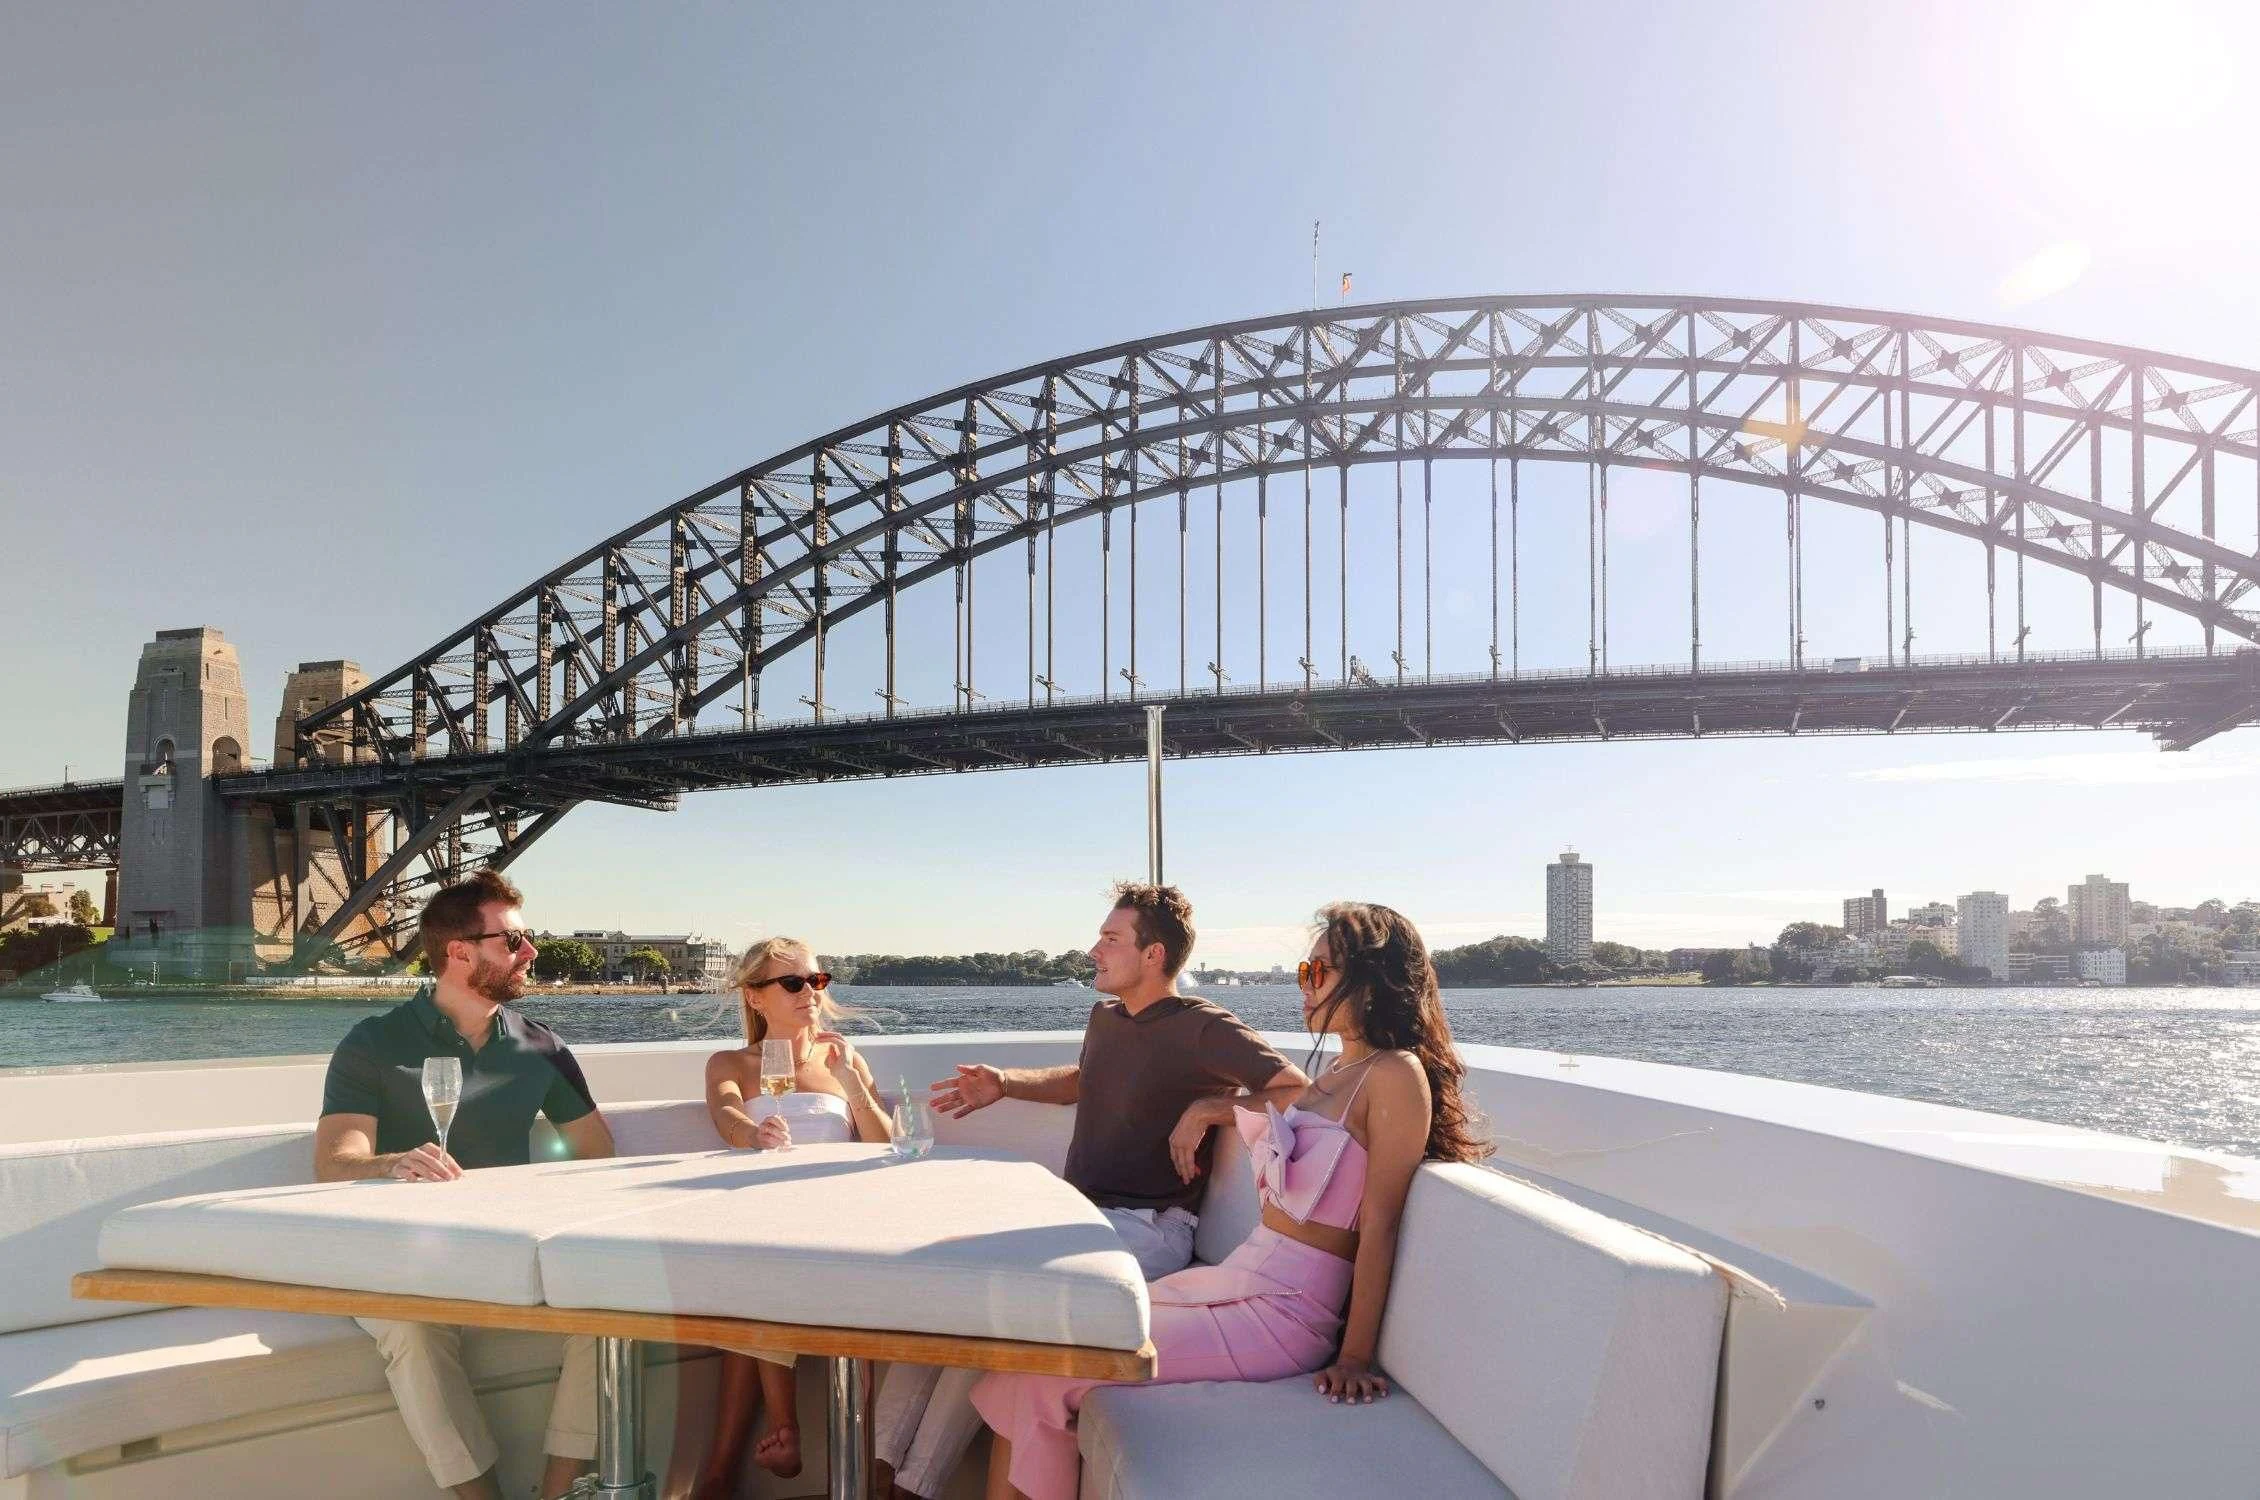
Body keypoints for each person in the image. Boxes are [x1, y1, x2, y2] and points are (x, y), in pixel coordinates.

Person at [971, 901, 1492, 1500]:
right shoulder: (1330, 1077)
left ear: (1371, 981)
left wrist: (1355, 1355)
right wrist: (1206, 1108)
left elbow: (1381, 1224)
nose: (1306, 984)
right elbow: (1270, 1109)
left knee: (1050, 1366)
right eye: (1305, 971)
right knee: (1030, 1350)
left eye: (1319, 972)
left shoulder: (1395, 1075)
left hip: (1287, 1313)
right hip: (1238, 1278)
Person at [872, 883, 1309, 1500]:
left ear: (1154, 955)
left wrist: (1212, 1106)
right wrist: (1006, 1082)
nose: (1094, 949)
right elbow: (1086, 1079)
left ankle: (912, 1488)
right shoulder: (1107, 1016)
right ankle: (877, 1472)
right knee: (948, 1300)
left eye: (1111, 938)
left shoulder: (1204, 1026)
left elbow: (1295, 1092)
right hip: (1079, 1213)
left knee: (998, 1313)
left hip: (1150, 1227)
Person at [313, 869, 617, 1500]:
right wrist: (392, 1163)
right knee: (411, 1331)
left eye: (527, 939)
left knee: (610, 1310)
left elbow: (596, 1154)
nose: (530, 953)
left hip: (502, 1250)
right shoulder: (373, 1042)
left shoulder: (543, 1049)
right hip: (393, 1254)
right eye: (512, 942)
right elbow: (335, 1163)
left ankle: (557, 1493)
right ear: (457, 953)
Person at [690, 937, 891, 1499]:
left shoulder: (845, 1061)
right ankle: (777, 1442)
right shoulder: (732, 1063)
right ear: (755, 997)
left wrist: (851, 1082)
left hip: (840, 1222)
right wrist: (751, 1135)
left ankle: (752, 1455)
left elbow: (886, 1147)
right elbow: (726, 1110)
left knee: (755, 1274)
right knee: (758, 1258)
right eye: (793, 983)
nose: (810, 992)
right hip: (766, 1218)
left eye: (816, 980)